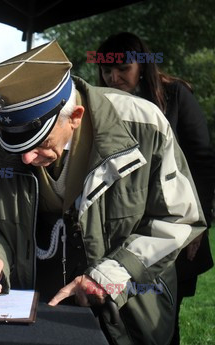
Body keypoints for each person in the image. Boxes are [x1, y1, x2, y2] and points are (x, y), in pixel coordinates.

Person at [0, 41, 206, 345]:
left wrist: (107, 278)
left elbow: (176, 218)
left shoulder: (144, 124)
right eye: (16, 146)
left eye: (39, 143)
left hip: (126, 312)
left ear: (75, 117)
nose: (26, 158)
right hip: (30, 310)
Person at [96, 32, 215, 344]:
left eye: (123, 68)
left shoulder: (176, 95)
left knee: (163, 317)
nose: (114, 77)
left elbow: (202, 159)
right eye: (107, 71)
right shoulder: (103, 104)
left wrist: (198, 226)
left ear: (142, 65)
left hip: (174, 221)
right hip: (125, 227)